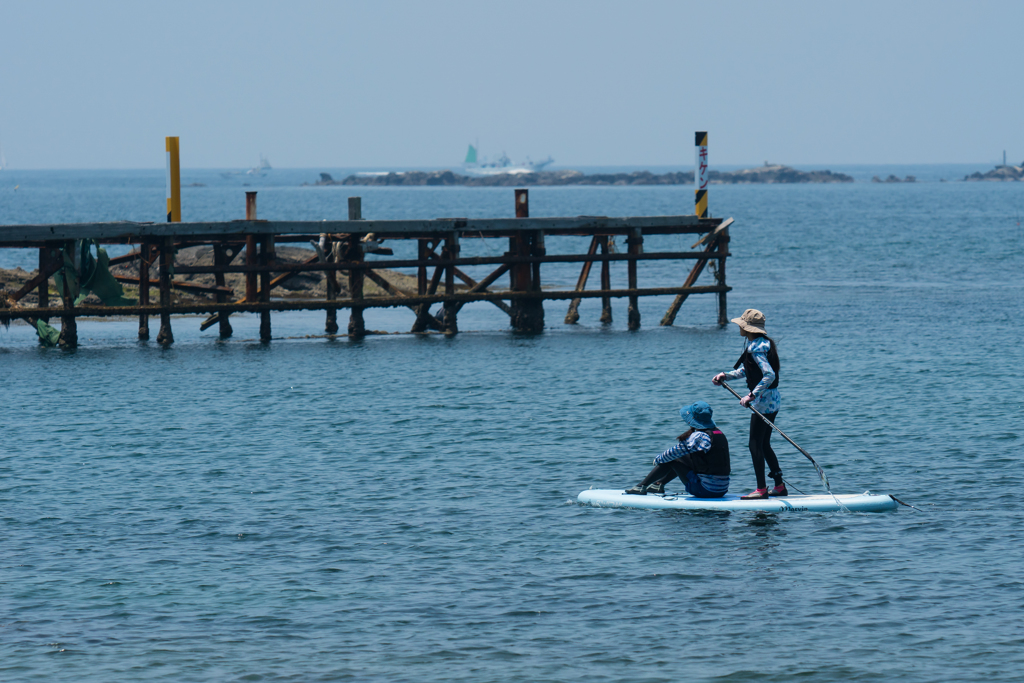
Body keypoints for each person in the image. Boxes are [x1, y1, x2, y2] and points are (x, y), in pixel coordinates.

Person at [712, 308, 784, 500]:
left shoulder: (756, 347)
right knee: (764, 443)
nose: (739, 328)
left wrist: (751, 395)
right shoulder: (764, 343)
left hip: (763, 401)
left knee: (754, 444)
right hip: (773, 399)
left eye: (741, 325)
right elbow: (748, 371)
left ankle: (761, 489)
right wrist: (725, 375)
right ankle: (779, 485)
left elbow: (769, 375)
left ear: (748, 328)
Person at [625, 401, 730, 498]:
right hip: (722, 490)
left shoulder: (699, 436)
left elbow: (673, 453)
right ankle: (659, 484)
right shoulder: (718, 433)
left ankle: (641, 486)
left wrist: (658, 459)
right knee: (684, 458)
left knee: (674, 459)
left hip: (705, 490)